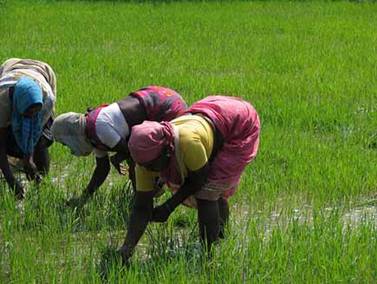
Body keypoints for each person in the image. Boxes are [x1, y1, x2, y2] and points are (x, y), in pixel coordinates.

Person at [118, 95, 260, 263]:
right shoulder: (144, 160)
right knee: (211, 192)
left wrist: (169, 206)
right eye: (144, 166)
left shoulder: (187, 143)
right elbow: (141, 206)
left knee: (208, 192)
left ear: (167, 151)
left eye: (152, 165)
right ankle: (221, 236)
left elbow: (198, 179)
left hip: (238, 122)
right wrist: (127, 248)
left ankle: (209, 256)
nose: (148, 170)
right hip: (209, 115)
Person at [51, 85, 187, 206]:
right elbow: (102, 169)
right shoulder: (93, 134)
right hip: (159, 97)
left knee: (142, 161)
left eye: (65, 143)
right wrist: (84, 198)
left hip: (164, 106)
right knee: (140, 163)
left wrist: (117, 158)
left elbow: (134, 152)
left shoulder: (99, 128)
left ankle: (144, 201)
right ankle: (145, 197)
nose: (69, 150)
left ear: (71, 135)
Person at [0, 58, 57, 199]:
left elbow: (36, 132)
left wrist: (28, 159)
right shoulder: (2, 102)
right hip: (11, 67)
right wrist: (11, 180)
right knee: (7, 135)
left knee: (43, 139)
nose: (32, 116)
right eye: (28, 112)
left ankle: (42, 183)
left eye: (34, 112)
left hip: (44, 72)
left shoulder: (46, 100)